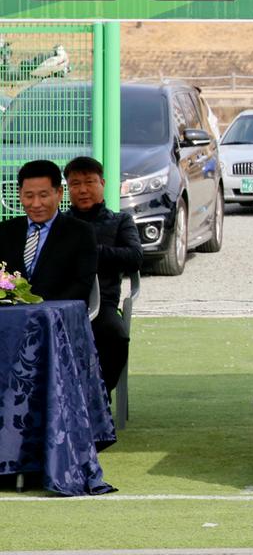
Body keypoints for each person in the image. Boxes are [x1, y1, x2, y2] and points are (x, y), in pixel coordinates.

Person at [63, 156, 144, 395]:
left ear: (103, 183)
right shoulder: (60, 223)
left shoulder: (120, 221)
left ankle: (100, 396)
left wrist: (93, 253)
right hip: (62, 302)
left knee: (115, 336)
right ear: (66, 189)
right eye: (75, 184)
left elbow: (135, 256)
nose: (83, 190)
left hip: (104, 305)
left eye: (89, 182)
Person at [0, 159, 97, 302]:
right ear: (20, 194)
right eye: (29, 196)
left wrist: (43, 309)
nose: (36, 204)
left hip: (57, 316)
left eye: (43, 195)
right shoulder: (4, 231)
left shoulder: (81, 232)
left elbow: (82, 285)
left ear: (59, 193)